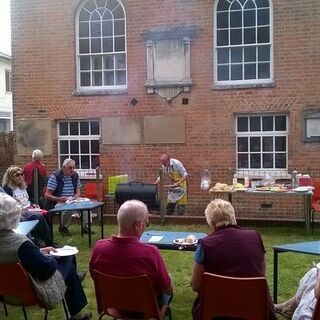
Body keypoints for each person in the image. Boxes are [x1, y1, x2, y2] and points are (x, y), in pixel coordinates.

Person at [0, 192, 92, 320]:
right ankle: (77, 312)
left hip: (5, 293)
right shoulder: (20, 243)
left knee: (65, 265)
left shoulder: (20, 246)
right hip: (31, 291)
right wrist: (50, 257)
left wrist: (38, 251)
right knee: (68, 257)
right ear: (14, 216)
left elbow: (19, 257)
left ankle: (73, 284)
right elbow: (47, 270)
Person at [190, 199, 276, 320]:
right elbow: (261, 274)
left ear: (210, 221)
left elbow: (196, 285)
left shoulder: (205, 244)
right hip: (255, 306)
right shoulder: (255, 237)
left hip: (216, 311)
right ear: (233, 216)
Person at [89, 199, 173, 305]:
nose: (145, 227)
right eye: (146, 223)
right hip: (144, 309)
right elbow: (167, 289)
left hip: (113, 305)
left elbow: (94, 277)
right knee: (169, 278)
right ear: (137, 225)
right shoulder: (151, 252)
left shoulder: (99, 248)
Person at [2, 165, 52, 246]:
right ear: (11, 177)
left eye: (21, 174)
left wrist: (33, 204)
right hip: (19, 211)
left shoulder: (22, 186)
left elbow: (26, 200)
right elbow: (10, 204)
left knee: (46, 214)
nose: (20, 177)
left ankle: (45, 239)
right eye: (17, 175)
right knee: (38, 216)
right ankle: (48, 242)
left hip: (28, 208)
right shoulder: (8, 188)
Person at [45, 158, 92, 236]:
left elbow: (78, 192)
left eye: (74, 167)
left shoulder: (75, 176)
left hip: (72, 200)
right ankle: (63, 228)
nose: (72, 170)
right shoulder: (55, 177)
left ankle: (85, 227)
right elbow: (47, 195)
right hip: (58, 201)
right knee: (68, 208)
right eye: (70, 168)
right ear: (64, 167)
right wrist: (59, 199)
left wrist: (75, 197)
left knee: (86, 205)